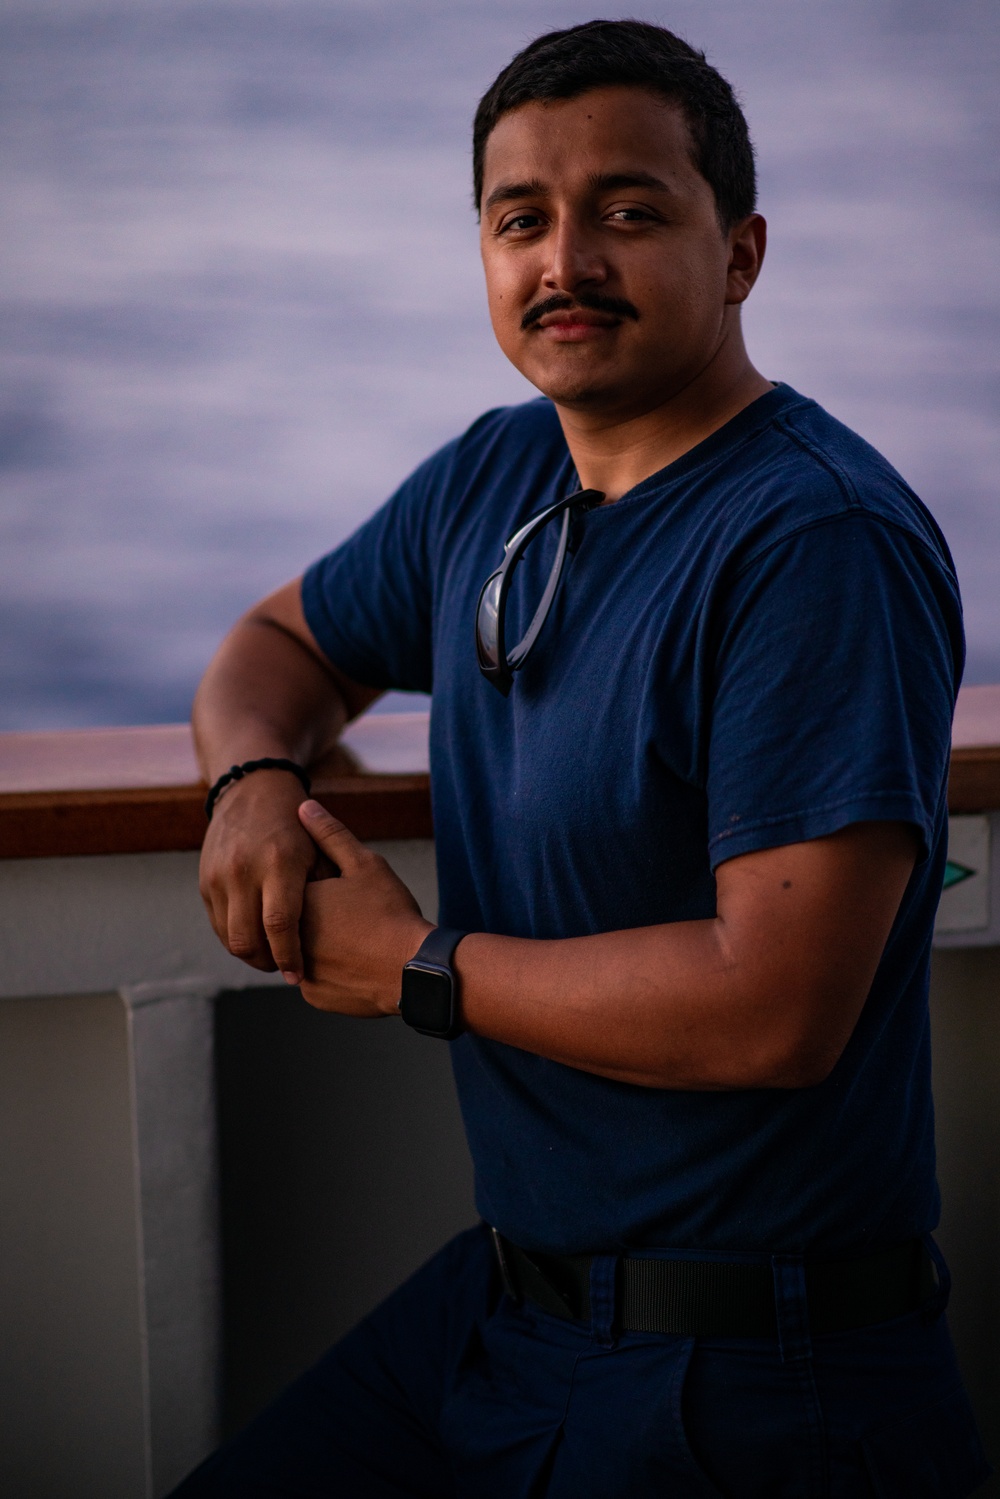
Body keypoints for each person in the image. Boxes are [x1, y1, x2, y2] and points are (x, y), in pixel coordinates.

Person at [173, 19, 990, 1498]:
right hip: (510, 1308)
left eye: (628, 211)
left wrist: (421, 967)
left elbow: (779, 1008)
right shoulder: (494, 474)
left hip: (746, 1376)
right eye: (521, 220)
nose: (566, 263)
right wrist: (252, 784)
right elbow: (276, 650)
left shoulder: (815, 542)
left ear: (738, 253)